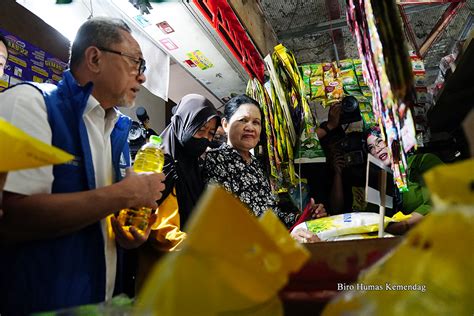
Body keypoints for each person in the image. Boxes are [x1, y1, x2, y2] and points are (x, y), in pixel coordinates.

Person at [0, 17, 165, 315]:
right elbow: (14, 218)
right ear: (94, 58)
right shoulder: (32, 104)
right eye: (136, 63)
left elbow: (102, 217)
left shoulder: (117, 130)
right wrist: (126, 194)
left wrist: (127, 233)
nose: (142, 78)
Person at [203, 94, 327, 243]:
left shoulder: (256, 164)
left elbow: (271, 214)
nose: (250, 127)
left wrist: (305, 215)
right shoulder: (214, 160)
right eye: (243, 120)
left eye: (256, 122)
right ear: (225, 124)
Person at [136, 93, 219, 291]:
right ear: (183, 123)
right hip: (161, 272)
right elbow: (160, 229)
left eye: (210, 133)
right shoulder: (161, 162)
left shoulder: (193, 165)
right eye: (200, 130)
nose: (205, 139)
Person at [366, 127, 443, 234]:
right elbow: (371, 217)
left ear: (393, 140)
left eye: (379, 141)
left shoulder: (423, 161)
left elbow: (436, 201)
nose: (377, 149)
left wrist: (402, 226)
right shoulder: (382, 180)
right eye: (371, 148)